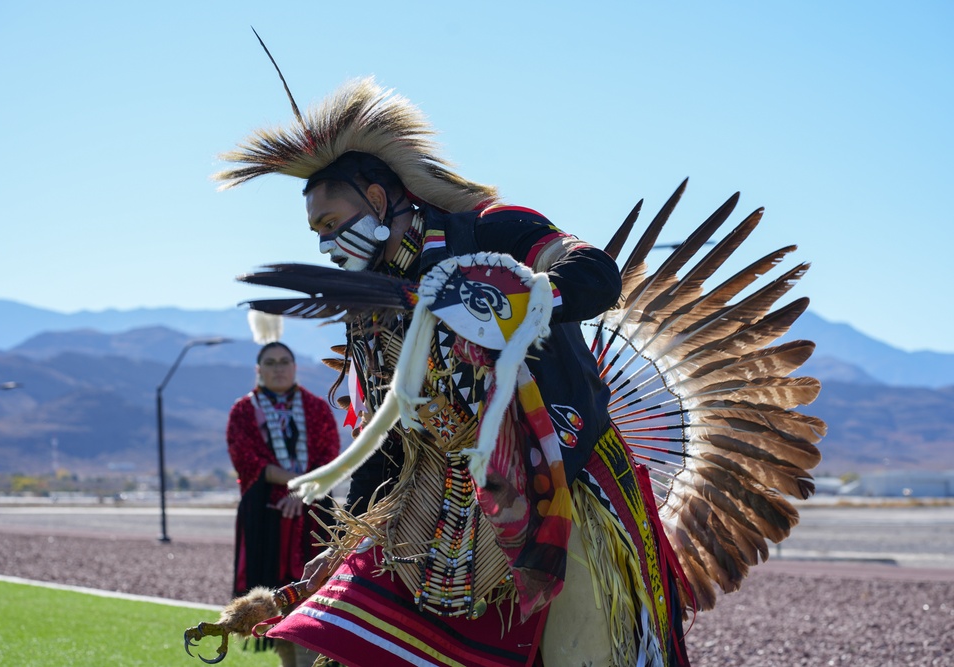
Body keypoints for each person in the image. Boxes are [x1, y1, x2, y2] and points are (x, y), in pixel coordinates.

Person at [215, 77, 692, 667]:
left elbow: (595, 275)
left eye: (333, 222)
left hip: (559, 478)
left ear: (377, 195)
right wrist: (346, 542)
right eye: (317, 233)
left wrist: (516, 303)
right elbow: (388, 442)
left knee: (583, 650)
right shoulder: (376, 309)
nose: (327, 244)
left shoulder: (491, 230)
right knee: (327, 642)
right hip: (433, 503)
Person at [226, 341, 340, 667]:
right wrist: (294, 489)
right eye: (270, 362)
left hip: (314, 515)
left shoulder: (317, 408)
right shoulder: (244, 411)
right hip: (266, 519)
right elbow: (248, 461)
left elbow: (329, 457)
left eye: (284, 361)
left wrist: (301, 494)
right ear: (258, 370)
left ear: (295, 367)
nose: (278, 368)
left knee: (316, 596)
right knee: (274, 602)